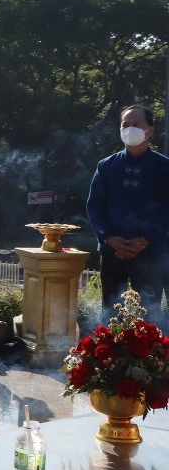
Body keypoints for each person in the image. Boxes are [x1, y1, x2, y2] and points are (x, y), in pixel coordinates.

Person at [87, 105, 169, 323]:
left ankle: (148, 358)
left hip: (152, 253)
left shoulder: (164, 167)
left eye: (136, 125)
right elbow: (95, 205)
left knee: (149, 317)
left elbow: (166, 210)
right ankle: (111, 357)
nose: (130, 129)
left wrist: (146, 239)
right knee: (111, 315)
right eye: (125, 125)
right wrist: (108, 237)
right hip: (113, 252)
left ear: (150, 130)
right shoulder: (106, 166)